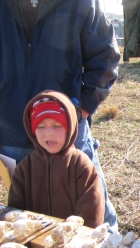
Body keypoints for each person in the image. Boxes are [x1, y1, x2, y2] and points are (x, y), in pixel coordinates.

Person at [0, 0, 120, 233]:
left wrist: (79, 110)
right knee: (28, 222)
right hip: (13, 131)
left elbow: (105, 56)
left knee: (97, 221)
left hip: (70, 134)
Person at [8, 91, 105, 228]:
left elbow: (92, 216)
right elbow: (15, 212)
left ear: (70, 127)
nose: (49, 133)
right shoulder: (25, 167)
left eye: (57, 125)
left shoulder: (81, 165)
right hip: (34, 242)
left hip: (73, 243)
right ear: (32, 130)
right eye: (41, 126)